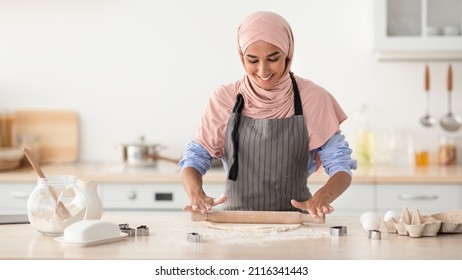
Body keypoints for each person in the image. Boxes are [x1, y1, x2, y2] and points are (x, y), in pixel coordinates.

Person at [179, 11, 357, 218]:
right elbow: (194, 158)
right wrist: (195, 193)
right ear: (241, 56)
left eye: (273, 59)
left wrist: (323, 197)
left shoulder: (313, 98)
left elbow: (341, 167)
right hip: (236, 223)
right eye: (252, 60)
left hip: (296, 221)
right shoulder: (224, 98)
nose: (263, 71)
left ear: (288, 54)